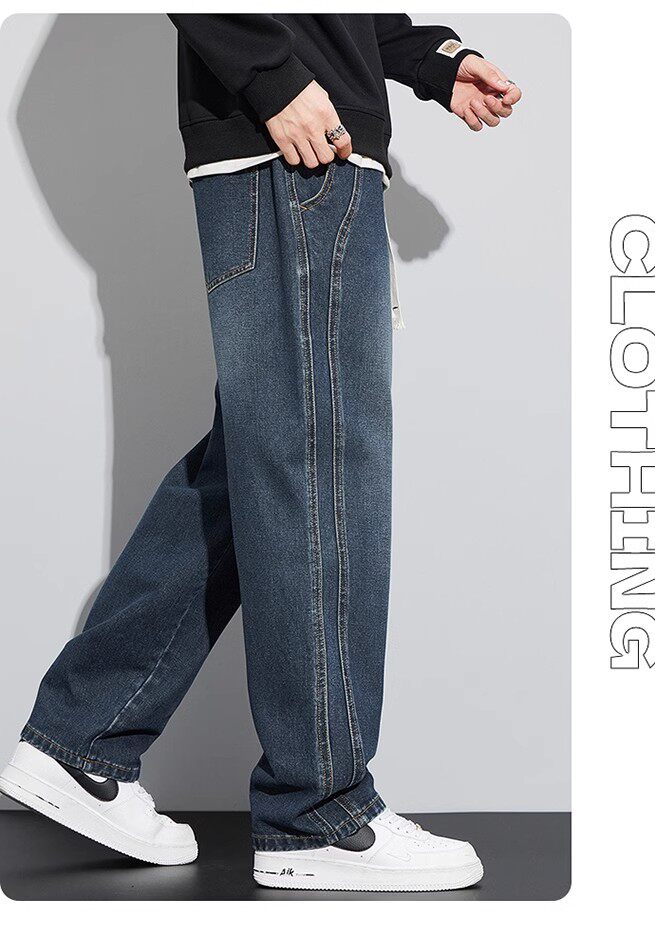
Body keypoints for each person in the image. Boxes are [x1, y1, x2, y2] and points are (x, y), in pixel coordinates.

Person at [0, 14, 521, 892]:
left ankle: (82, 738)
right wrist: (272, 78)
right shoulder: (283, 102)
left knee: (262, 463)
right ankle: (318, 811)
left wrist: (438, 61)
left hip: (307, 151)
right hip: (297, 154)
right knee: (316, 465)